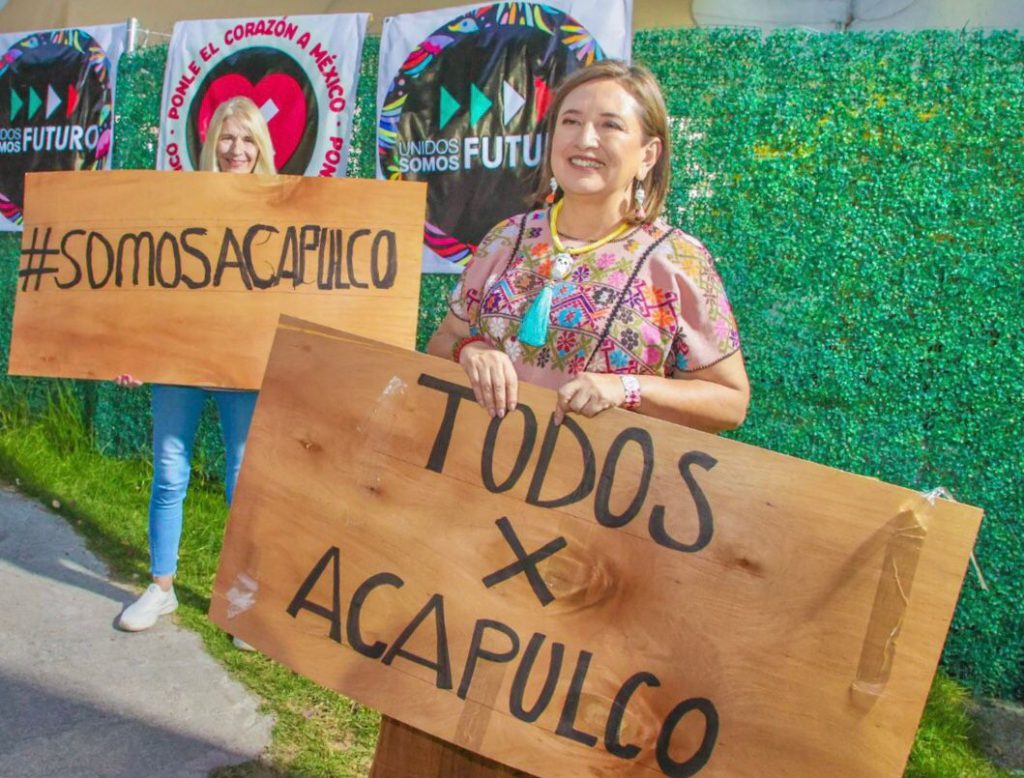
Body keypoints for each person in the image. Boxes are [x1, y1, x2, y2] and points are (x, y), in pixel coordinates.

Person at [428, 61, 749, 432]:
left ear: (648, 155)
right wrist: (470, 351)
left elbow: (729, 401)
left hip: (605, 486)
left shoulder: (679, 260)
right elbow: (443, 340)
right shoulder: (505, 239)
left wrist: (626, 389)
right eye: (571, 121)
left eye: (610, 125)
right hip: (481, 476)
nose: (584, 140)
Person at [116, 97, 276, 634]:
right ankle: (161, 589)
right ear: (211, 144)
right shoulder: (179, 201)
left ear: (262, 146)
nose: (237, 150)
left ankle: (243, 602)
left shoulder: (285, 205)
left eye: (248, 139)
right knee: (168, 473)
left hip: (244, 360)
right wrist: (137, 350)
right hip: (179, 355)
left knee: (242, 480)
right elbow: (149, 276)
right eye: (227, 139)